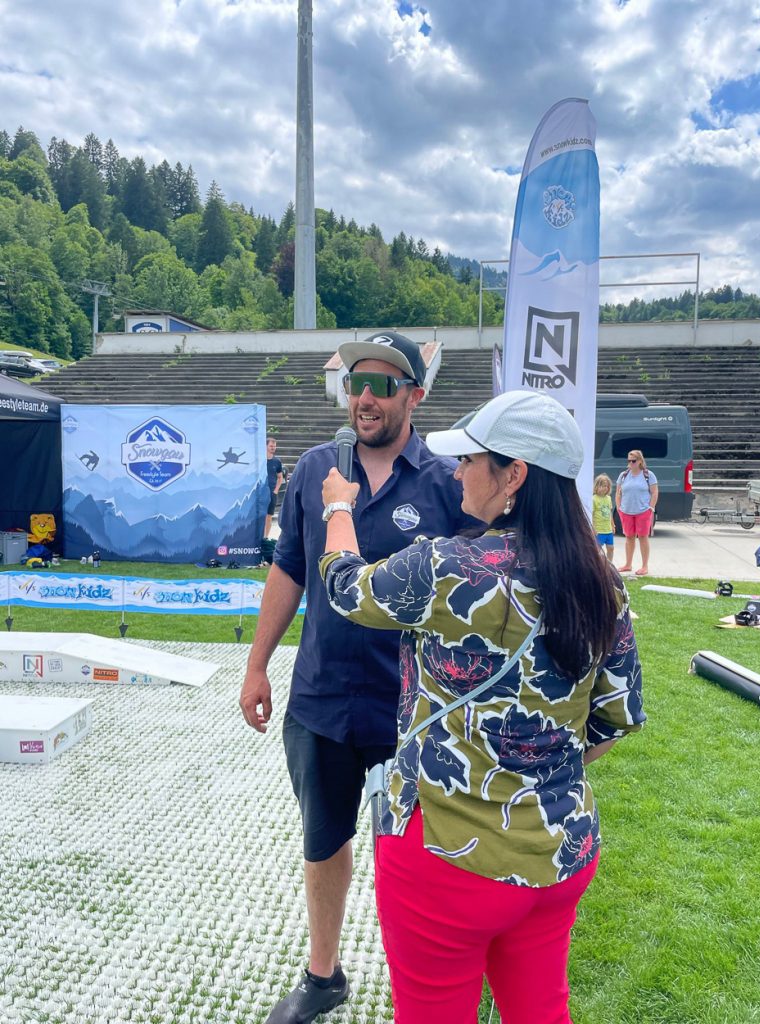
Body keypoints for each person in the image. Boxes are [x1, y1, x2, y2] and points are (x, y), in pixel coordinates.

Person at [319, 390, 645, 1024]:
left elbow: (344, 585)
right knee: (540, 1011)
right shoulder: (603, 581)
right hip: (558, 851)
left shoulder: (449, 567)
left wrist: (338, 505)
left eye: (471, 458)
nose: (457, 471)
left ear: (514, 475)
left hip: (445, 861)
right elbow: (609, 721)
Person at [239, 332, 477, 1024]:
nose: (365, 397)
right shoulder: (316, 470)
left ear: (415, 395)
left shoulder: (446, 482)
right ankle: (324, 974)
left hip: (419, 709)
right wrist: (257, 665)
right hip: (323, 699)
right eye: (355, 384)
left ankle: (444, 976)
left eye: (381, 385)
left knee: (434, 850)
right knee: (325, 840)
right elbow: (289, 569)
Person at [615, 449, 658, 576]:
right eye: (629, 460)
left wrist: (651, 508)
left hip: (643, 511)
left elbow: (654, 492)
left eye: (633, 461)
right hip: (626, 511)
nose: (630, 463)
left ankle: (645, 566)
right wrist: (619, 507)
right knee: (629, 537)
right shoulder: (623, 475)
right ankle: (628, 564)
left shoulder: (648, 475)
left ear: (640, 461)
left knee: (643, 537)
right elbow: (618, 492)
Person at [264, 435, 285, 539]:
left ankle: (265, 537)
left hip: (272, 492)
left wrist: (276, 490)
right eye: (271, 446)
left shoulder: (277, 461)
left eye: (274, 446)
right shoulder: (261, 461)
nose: (273, 448)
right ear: (266, 446)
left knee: (269, 516)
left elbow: (280, 477)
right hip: (260, 491)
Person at [592, 473, 615, 562]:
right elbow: (592, 515)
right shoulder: (594, 499)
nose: (605, 488)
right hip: (599, 530)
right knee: (598, 550)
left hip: (608, 530)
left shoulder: (608, 498)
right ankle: (597, 565)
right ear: (597, 486)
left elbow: (610, 512)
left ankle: (610, 565)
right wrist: (593, 528)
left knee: (611, 548)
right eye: (602, 486)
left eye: (607, 486)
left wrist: (612, 525)